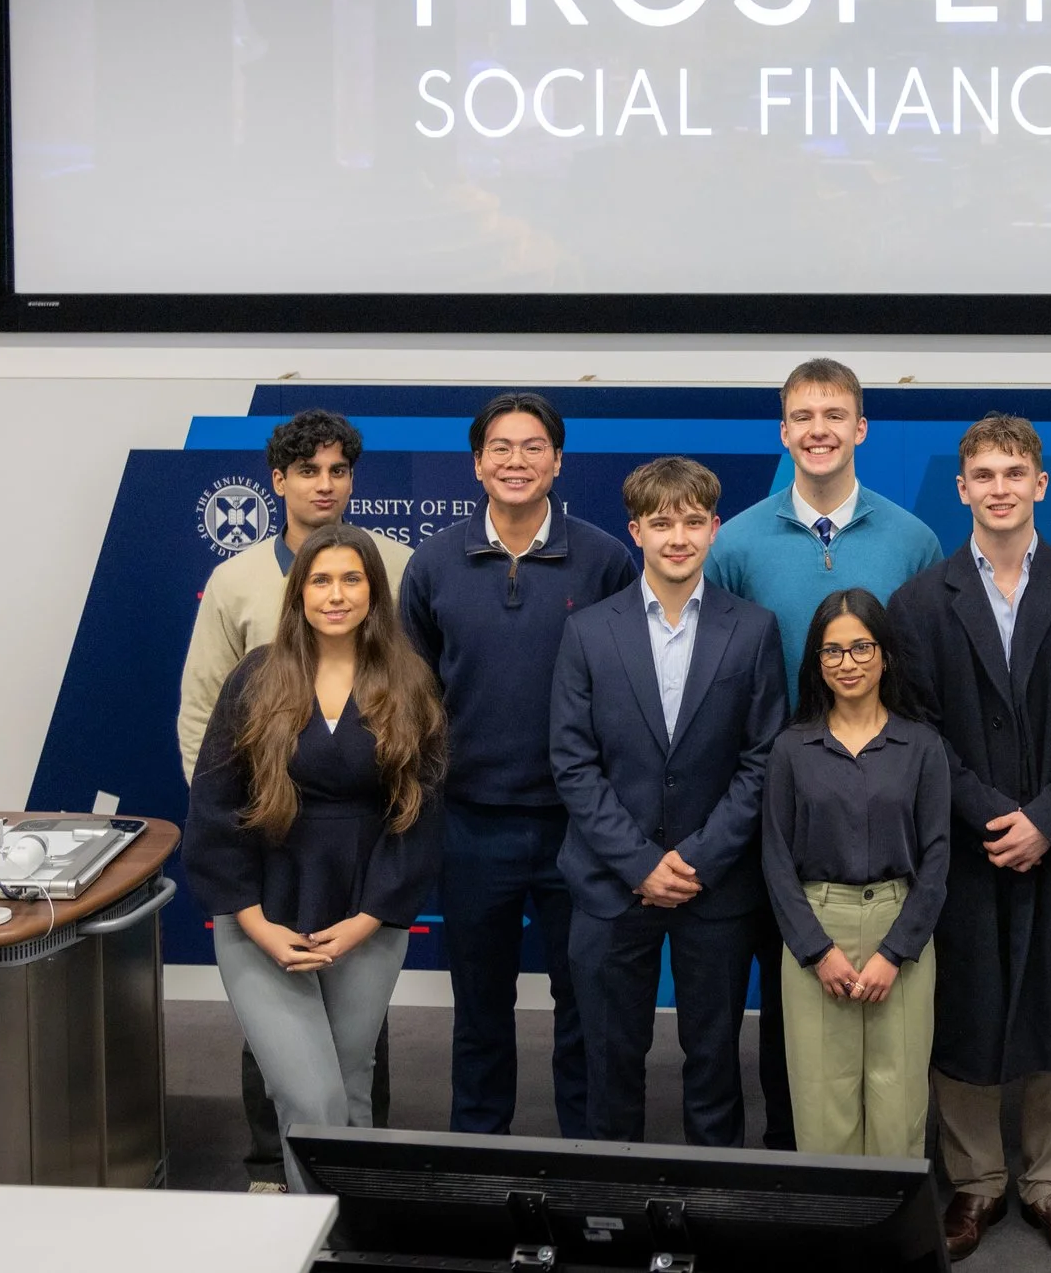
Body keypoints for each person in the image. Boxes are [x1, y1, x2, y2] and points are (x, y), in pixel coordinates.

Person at [888, 414, 1051, 1265]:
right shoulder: (919, 601)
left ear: (1040, 484)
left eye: (1013, 472)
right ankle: (979, 1182)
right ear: (961, 488)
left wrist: (1047, 820)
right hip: (969, 845)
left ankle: (1050, 1185)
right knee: (967, 1011)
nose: (999, 487)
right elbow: (915, 731)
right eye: (983, 473)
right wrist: (997, 816)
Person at [708, 356, 944, 1148]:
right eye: (803, 417)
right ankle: (797, 1169)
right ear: (784, 431)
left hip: (884, 801)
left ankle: (892, 1184)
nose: (819, 430)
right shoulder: (735, 541)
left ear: (860, 428)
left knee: (893, 1038)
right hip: (777, 805)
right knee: (794, 1013)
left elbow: (926, 674)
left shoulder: (913, 540)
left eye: (834, 415)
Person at [175, 409, 413, 1188]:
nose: (338, 593)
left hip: (361, 897)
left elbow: (417, 799)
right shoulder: (250, 636)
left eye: (338, 468)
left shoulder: (403, 653)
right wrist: (247, 887)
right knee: (299, 1083)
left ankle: (349, 1228)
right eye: (321, 580)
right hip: (266, 876)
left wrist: (371, 913)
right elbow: (205, 731)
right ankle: (282, 1189)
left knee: (347, 1082)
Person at [400, 392, 639, 1138]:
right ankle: (478, 1153)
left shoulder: (603, 558)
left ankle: (590, 1163)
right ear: (477, 464)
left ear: (558, 461)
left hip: (581, 828)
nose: (516, 461)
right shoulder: (434, 561)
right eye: (500, 448)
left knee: (586, 1009)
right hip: (472, 826)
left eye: (533, 447)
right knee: (479, 1010)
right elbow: (414, 692)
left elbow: (626, 689)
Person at [549, 457, 786, 1146]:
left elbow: (762, 758)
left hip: (715, 888)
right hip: (611, 883)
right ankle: (612, 1200)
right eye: (661, 522)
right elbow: (573, 761)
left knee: (713, 1059)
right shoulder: (589, 631)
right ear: (636, 531)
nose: (677, 536)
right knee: (610, 1057)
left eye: (691, 521)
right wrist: (639, 862)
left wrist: (697, 859)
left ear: (714, 529)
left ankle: (716, 1202)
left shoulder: (754, 629)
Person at [761, 588, 952, 1157]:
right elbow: (775, 859)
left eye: (862, 647)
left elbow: (938, 858)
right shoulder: (792, 749)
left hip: (902, 930)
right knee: (823, 1106)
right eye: (832, 652)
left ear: (886, 655)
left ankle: (893, 1243)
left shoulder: (921, 746)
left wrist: (896, 953)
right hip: (817, 933)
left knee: (898, 1106)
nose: (848, 663)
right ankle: (833, 1239)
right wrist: (818, 951)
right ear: (816, 663)